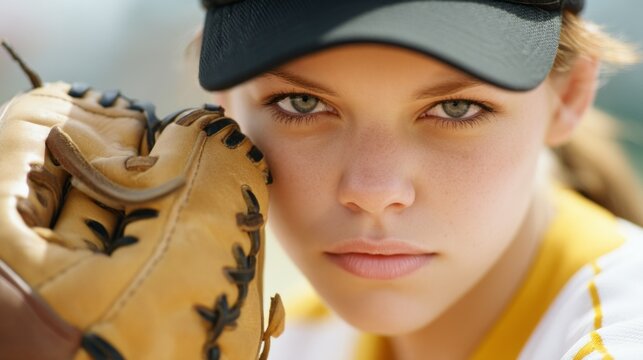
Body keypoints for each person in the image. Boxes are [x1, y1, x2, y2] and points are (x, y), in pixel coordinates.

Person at [196, 0, 643, 358]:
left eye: (456, 108)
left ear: (568, 97)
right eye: (301, 104)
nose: (373, 192)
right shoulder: (286, 341)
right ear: (224, 104)